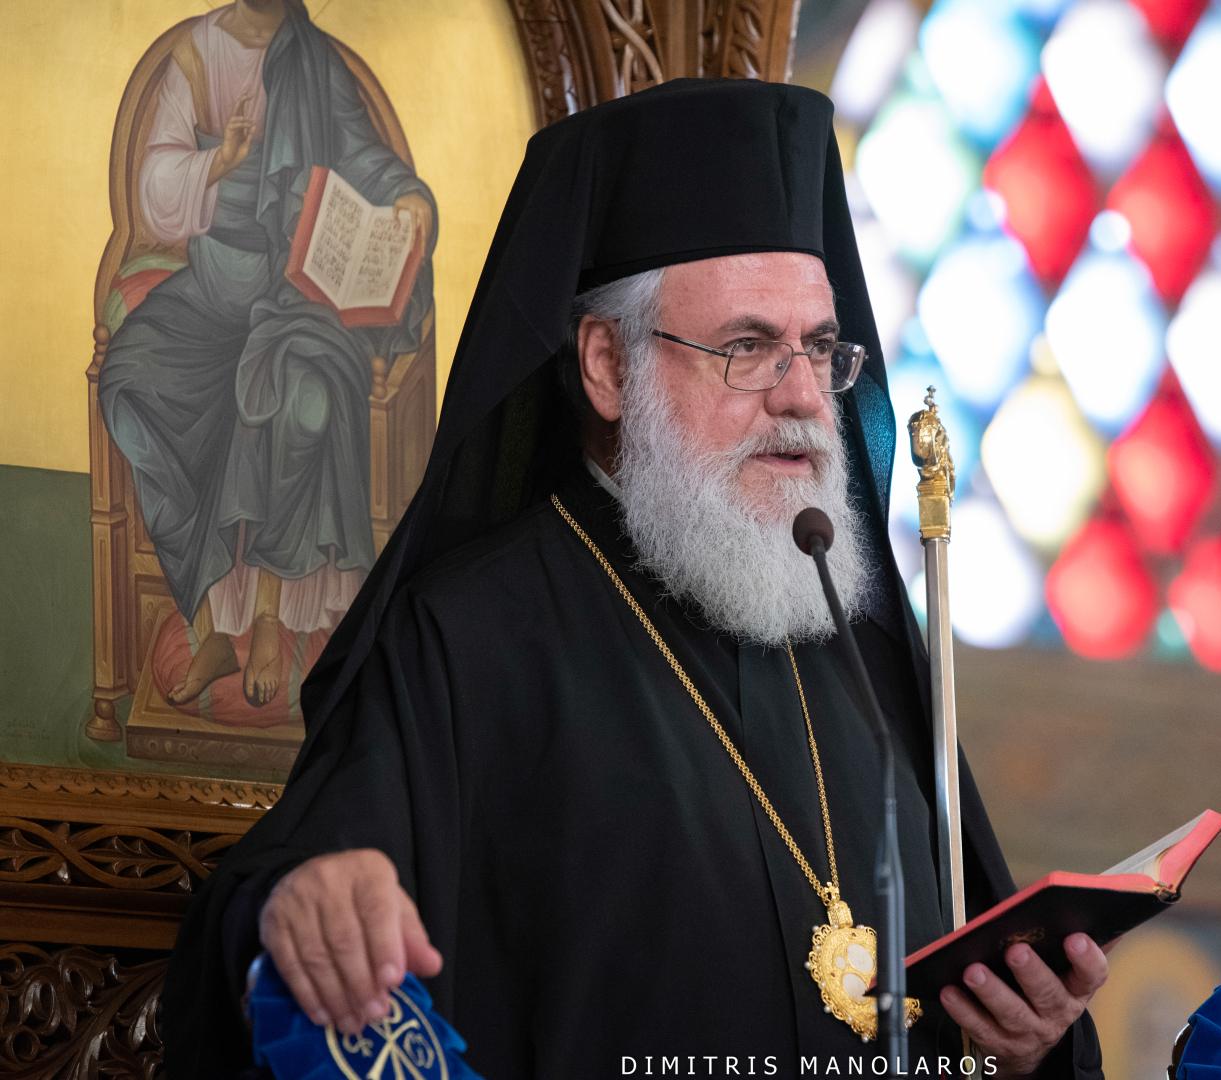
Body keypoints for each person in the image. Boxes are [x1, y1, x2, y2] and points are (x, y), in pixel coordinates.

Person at [162, 79, 1106, 1079]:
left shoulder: (861, 656)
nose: (800, 395)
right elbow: (278, 908)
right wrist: (301, 904)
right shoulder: (467, 640)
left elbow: (968, 1002)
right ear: (607, 367)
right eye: (748, 347)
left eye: (820, 349)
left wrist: (1024, 1047)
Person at [98, 0, 435, 708]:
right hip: (216, 283)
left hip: (299, 285)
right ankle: (209, 627)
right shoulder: (196, 54)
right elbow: (154, 190)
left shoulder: (313, 60)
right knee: (130, 382)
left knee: (297, 397)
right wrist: (217, 161)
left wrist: (408, 199)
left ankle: (268, 617)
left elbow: (364, 155)